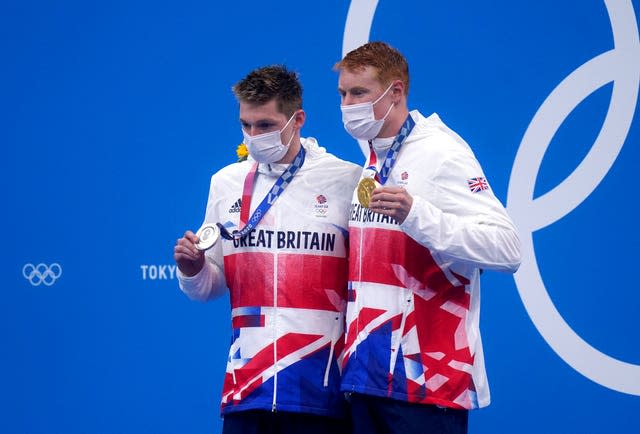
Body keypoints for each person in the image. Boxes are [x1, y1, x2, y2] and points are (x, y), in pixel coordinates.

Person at [335, 42, 522, 434]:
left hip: (426, 384)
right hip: (365, 380)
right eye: (343, 94)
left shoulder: (440, 151)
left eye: (359, 93)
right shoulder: (373, 158)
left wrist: (417, 214)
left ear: (396, 91)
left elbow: (507, 249)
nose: (347, 105)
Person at [174, 65, 361, 434]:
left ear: (298, 119)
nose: (254, 136)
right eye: (247, 125)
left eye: (266, 126)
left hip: (323, 391)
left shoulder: (346, 179)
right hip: (247, 388)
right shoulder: (225, 183)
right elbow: (209, 287)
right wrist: (193, 268)